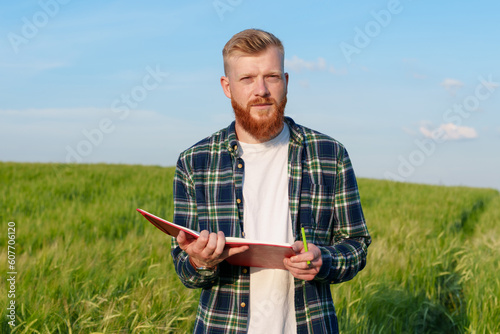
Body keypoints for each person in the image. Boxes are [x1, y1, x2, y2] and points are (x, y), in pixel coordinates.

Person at [171, 28, 371, 334]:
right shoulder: (194, 162)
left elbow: (356, 245)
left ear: (286, 82)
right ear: (227, 86)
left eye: (272, 77)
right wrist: (200, 262)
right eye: (247, 78)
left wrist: (325, 260)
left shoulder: (330, 154)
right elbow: (184, 268)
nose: (261, 89)